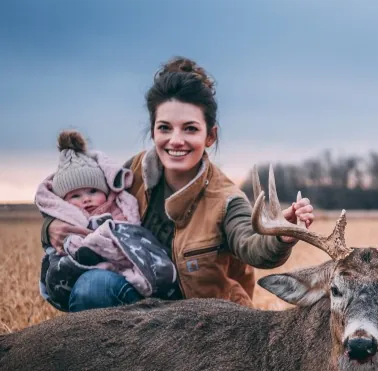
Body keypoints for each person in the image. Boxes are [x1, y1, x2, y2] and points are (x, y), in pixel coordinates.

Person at [41, 56, 315, 311]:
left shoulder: (225, 199)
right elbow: (81, 205)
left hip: (200, 325)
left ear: (210, 136)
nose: (176, 140)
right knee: (94, 287)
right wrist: (50, 227)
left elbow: (251, 245)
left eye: (190, 128)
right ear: (152, 131)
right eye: (165, 128)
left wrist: (280, 237)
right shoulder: (130, 174)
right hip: (143, 311)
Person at [36, 130, 178, 312]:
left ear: (105, 191)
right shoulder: (140, 173)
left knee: (94, 284)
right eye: (76, 196)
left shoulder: (119, 209)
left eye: (93, 191)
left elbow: (130, 235)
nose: (86, 199)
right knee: (86, 279)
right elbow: (59, 247)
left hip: (128, 276)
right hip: (88, 273)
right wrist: (49, 228)